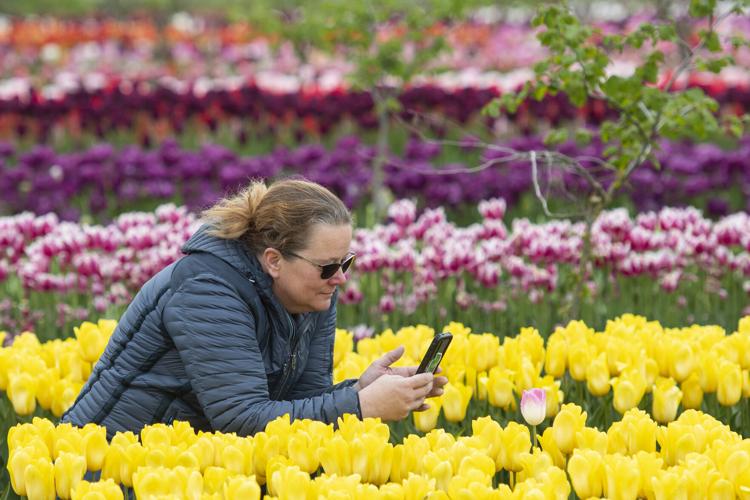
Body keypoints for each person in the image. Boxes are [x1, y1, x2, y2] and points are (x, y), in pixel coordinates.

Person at [62, 178, 447, 438]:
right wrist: (361, 406)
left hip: (181, 465)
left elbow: (299, 406)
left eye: (345, 262)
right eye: (328, 266)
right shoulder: (207, 289)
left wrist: (361, 390)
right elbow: (241, 418)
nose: (340, 278)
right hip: (105, 463)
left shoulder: (310, 293)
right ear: (273, 260)